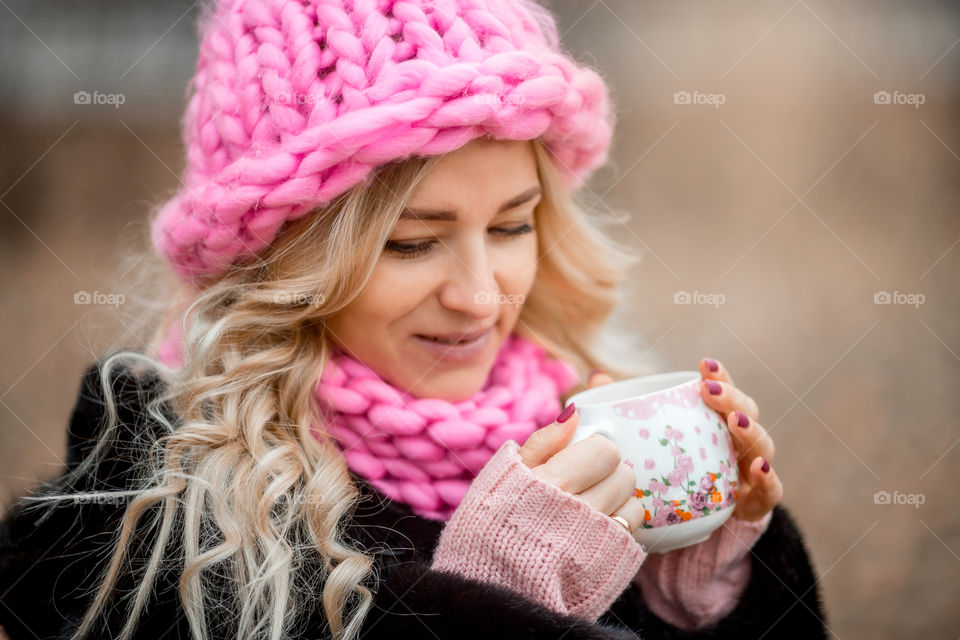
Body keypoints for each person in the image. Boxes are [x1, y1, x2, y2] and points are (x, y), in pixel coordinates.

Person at [0, 1, 828, 638]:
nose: (479, 296)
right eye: (411, 243)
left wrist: (702, 598)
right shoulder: (147, 514)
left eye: (511, 226)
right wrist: (486, 602)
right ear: (286, 263)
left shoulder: (581, 427)